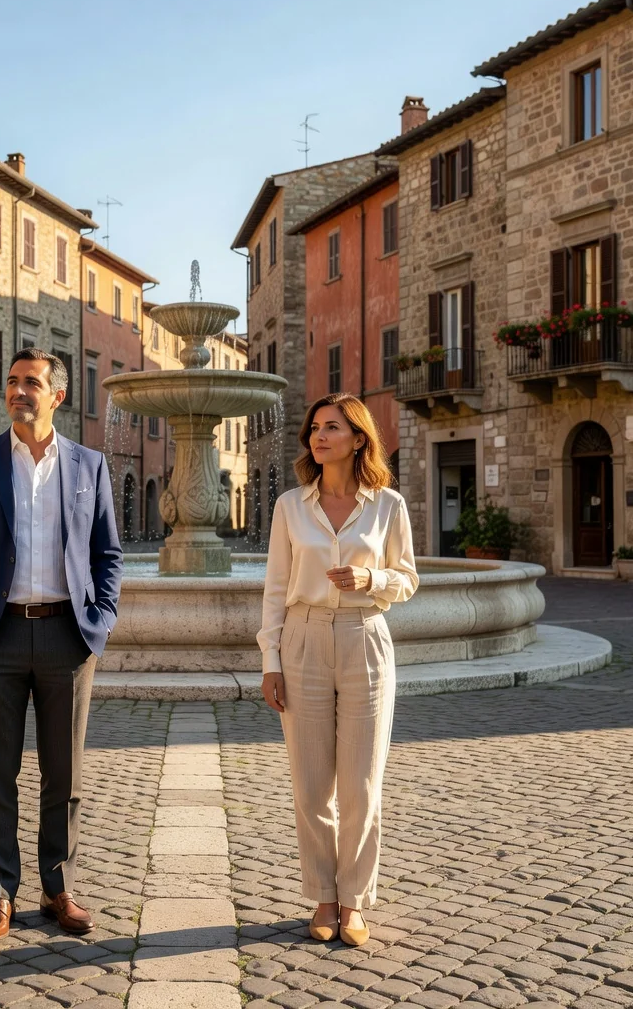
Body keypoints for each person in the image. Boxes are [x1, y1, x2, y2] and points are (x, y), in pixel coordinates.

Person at [0, 348, 122, 942]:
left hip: (69, 635)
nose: (19, 391)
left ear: (57, 395)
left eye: (32, 383)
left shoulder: (89, 466)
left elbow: (107, 555)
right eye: (12, 381)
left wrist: (103, 617)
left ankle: (57, 887)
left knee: (64, 776)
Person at [258, 393, 417, 946]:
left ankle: (354, 901)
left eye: (332, 428)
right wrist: (270, 661)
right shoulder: (289, 507)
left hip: (364, 639)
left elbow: (408, 579)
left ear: (358, 439)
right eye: (315, 429)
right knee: (310, 784)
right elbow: (275, 590)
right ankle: (323, 896)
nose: (319, 437)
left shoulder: (388, 506)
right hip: (301, 640)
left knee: (361, 783)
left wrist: (370, 580)